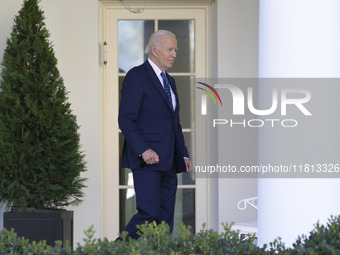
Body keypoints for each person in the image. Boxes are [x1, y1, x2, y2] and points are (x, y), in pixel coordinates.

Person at [118, 30, 192, 240]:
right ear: (154, 49)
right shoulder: (137, 76)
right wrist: (143, 149)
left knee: (165, 219)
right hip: (147, 161)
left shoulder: (170, 81)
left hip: (169, 161)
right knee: (148, 214)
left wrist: (183, 154)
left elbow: (174, 124)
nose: (174, 54)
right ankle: (113, 250)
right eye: (170, 49)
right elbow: (126, 119)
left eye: (176, 50)